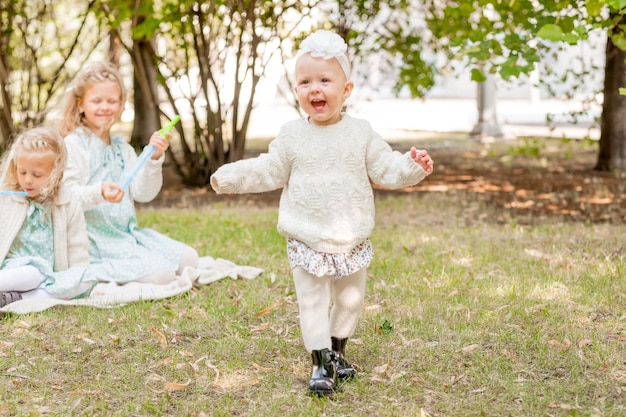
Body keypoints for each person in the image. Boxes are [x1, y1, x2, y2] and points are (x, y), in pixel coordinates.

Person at [210, 30, 434, 396]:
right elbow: (268, 169)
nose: (315, 88)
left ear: (346, 90)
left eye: (325, 80)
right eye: (305, 81)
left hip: (351, 238)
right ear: (296, 90)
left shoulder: (360, 133)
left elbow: (385, 169)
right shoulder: (292, 135)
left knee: (350, 300)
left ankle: (338, 352)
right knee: (312, 299)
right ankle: (320, 362)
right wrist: (230, 176)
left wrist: (412, 166)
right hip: (306, 236)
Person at [58, 61, 199, 285]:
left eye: (112, 101)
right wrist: (100, 193)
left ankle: (139, 261)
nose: (105, 107)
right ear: (80, 105)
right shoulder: (74, 145)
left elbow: (144, 194)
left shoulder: (121, 147)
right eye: (96, 101)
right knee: (163, 275)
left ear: (122, 105)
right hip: (94, 242)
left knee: (190, 259)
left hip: (127, 235)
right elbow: (67, 198)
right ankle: (90, 274)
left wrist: (153, 159)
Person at [0, 127, 97, 308]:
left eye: (37, 175)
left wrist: (77, 276)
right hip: (17, 269)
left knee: (87, 279)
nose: (28, 180)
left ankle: (13, 299)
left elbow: (78, 247)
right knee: (32, 274)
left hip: (52, 277)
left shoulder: (67, 202)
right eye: (22, 172)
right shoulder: (8, 198)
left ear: (56, 172)